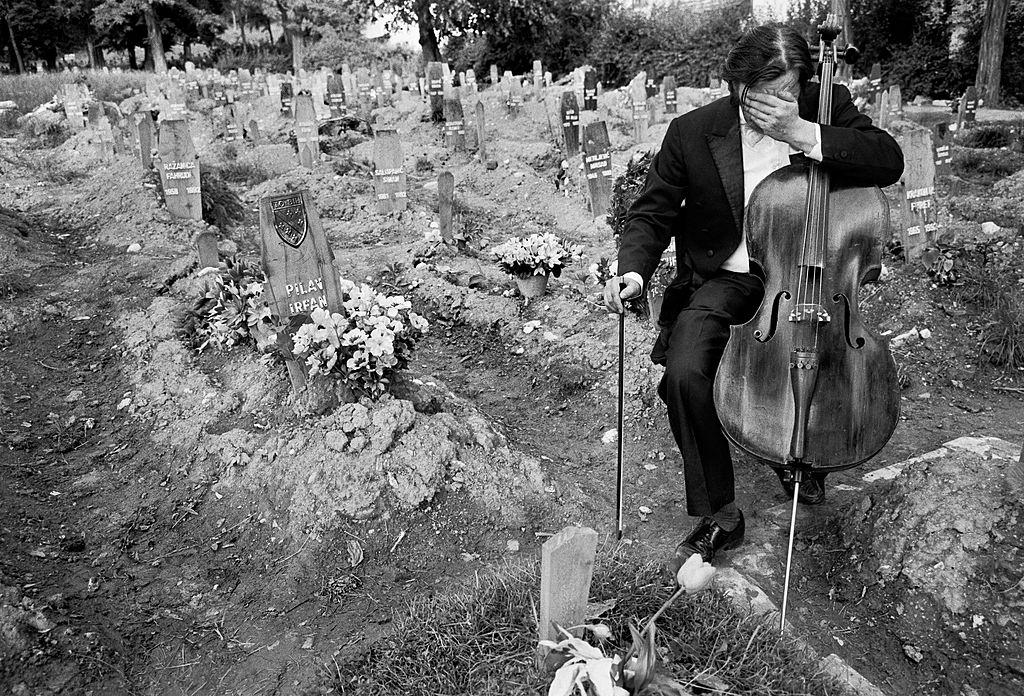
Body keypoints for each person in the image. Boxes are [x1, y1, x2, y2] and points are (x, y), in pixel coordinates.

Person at [603, 24, 904, 565]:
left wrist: (804, 131)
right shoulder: (693, 131)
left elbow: (888, 159)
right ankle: (720, 512)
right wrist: (634, 271)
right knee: (685, 373)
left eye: (787, 92)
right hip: (727, 278)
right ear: (738, 84)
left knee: (815, 354)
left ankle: (801, 456)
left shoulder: (825, 104)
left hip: (809, 278)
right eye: (763, 95)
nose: (775, 104)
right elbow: (652, 212)